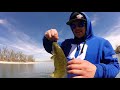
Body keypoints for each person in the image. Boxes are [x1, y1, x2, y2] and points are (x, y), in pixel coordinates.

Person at [43, 12, 120, 78]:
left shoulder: (102, 43)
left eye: (81, 24)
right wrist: (48, 39)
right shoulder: (65, 44)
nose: (77, 28)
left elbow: (115, 67)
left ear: (87, 25)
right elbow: (50, 48)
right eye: (73, 26)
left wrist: (97, 71)